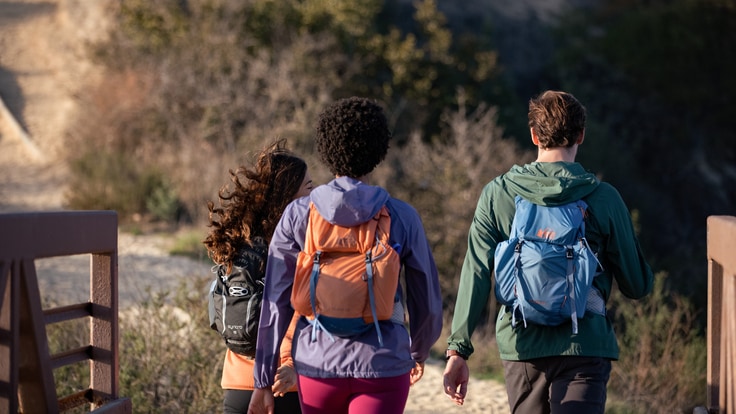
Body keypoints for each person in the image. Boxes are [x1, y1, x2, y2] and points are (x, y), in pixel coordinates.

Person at [443, 90, 654, 414]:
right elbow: (637, 286)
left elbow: (476, 271)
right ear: (581, 135)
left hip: (522, 344)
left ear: (534, 135)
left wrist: (459, 349)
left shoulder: (499, 193)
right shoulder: (604, 198)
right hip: (584, 344)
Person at [248, 97, 443, 414]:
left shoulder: (299, 215)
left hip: (316, 365)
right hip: (384, 364)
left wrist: (262, 378)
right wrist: (418, 351)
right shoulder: (401, 216)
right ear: (380, 150)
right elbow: (428, 302)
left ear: (325, 149)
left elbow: (274, 302)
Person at [204, 139, 314, 414]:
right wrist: (294, 365)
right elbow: (301, 311)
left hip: (238, 384)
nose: (315, 197)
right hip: (285, 382)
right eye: (309, 188)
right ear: (288, 195)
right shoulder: (297, 245)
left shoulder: (241, 243)